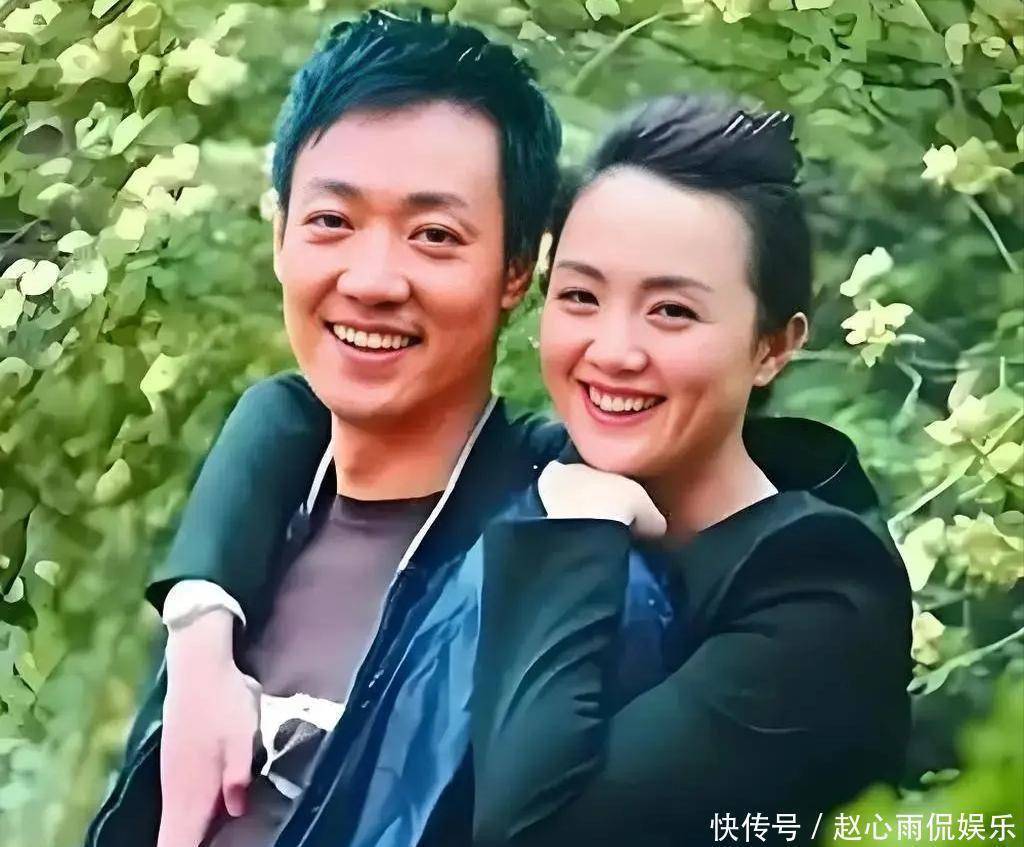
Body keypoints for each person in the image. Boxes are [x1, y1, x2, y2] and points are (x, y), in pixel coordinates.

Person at [84, 12, 563, 847]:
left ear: (516, 270)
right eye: (332, 221)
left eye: (434, 235)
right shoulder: (245, 552)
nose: (372, 280)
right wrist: (198, 627)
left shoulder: (556, 552)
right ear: (279, 237)